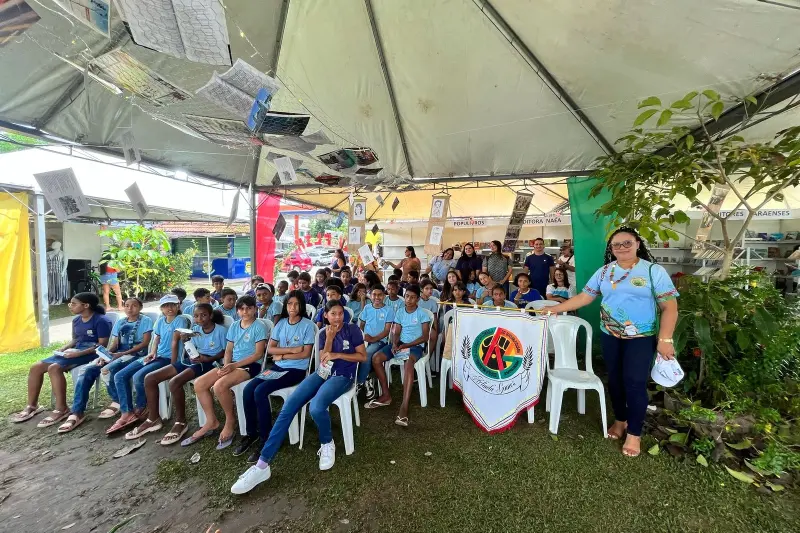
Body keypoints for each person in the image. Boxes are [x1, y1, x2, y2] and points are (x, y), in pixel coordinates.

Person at [547, 227, 679, 458]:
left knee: (635, 382)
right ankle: (620, 420)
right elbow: (584, 297)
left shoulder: (653, 271)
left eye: (626, 243)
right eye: (616, 245)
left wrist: (665, 339)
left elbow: (669, 307)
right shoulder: (605, 271)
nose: (621, 248)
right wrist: (555, 308)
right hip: (610, 335)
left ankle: (634, 434)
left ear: (637, 243)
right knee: (615, 381)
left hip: (642, 338)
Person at [231, 300, 367, 494]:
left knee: (316, 408)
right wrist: (330, 338)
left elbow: (362, 356)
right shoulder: (323, 333)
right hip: (322, 373)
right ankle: (262, 465)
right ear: (326, 316)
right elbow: (324, 358)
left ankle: (327, 442)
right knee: (288, 407)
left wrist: (339, 355)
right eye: (333, 314)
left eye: (340, 313)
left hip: (342, 376)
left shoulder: (353, 330)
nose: (338, 317)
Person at [125, 304, 227, 443]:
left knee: (175, 382)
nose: (200, 318)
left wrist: (207, 358)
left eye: (203, 315)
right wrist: (186, 341)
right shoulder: (195, 330)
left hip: (208, 362)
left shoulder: (220, 330)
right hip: (194, 359)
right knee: (150, 378)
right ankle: (153, 418)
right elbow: (192, 349)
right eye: (196, 316)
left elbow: (224, 352)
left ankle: (181, 422)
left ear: (210, 315)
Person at [232, 290, 315, 461]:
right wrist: (291, 350)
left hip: (296, 371)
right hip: (277, 367)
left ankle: (266, 438)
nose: (293, 307)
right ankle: (251, 433)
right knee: (249, 390)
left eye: (296, 304)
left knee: (260, 391)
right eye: (290, 303)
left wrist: (282, 354)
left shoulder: (307, 325)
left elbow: (305, 354)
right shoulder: (281, 323)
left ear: (301, 306)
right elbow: (270, 349)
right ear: (285, 305)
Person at [12, 293, 112, 427]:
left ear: (86, 305)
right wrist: (64, 348)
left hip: (92, 353)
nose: (70, 306)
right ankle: (32, 405)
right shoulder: (76, 320)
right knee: (36, 367)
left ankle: (61, 408)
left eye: (74, 303)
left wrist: (78, 354)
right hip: (75, 352)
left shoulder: (101, 321)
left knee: (54, 367)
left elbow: (102, 345)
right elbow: (76, 340)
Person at [58, 298, 153, 433]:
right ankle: (77, 412)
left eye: (134, 306)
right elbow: (114, 344)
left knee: (110, 371)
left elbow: (144, 344)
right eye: (126, 306)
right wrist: (106, 356)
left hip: (136, 355)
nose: (130, 309)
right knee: (88, 370)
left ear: (140, 308)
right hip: (118, 354)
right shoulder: (120, 322)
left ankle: (121, 404)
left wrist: (121, 354)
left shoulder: (145, 321)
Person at [187, 295, 267, 450]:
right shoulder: (235, 326)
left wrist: (234, 365)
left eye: (249, 308)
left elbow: (258, 355)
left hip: (251, 365)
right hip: (232, 364)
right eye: (242, 309)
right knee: (200, 384)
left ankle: (230, 421)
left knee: (219, 386)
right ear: (237, 311)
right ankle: (212, 421)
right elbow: (229, 349)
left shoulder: (259, 326)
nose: (245, 312)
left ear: (255, 309)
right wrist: (226, 364)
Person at [105, 295, 190, 434]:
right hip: (155, 356)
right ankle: (126, 411)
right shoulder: (161, 321)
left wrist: (173, 364)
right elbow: (156, 338)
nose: (170, 308)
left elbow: (175, 342)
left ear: (178, 306)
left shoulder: (180, 320)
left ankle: (141, 407)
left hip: (167, 359)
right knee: (120, 375)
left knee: (139, 376)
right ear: (161, 308)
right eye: (166, 306)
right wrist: (152, 352)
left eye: (173, 305)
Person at [366, 285, 431, 427]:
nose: (409, 299)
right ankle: (386, 395)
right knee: (376, 358)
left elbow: (425, 337)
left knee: (409, 363)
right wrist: (395, 344)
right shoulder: (400, 312)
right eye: (407, 296)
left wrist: (407, 346)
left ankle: (404, 406)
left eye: (413, 297)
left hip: (414, 347)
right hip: (400, 344)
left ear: (418, 299)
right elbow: (396, 331)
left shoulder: (422, 314)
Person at [357, 284, 394, 400]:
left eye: (380, 295)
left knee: (367, 355)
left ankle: (360, 382)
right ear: (370, 295)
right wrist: (362, 336)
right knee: (352, 353)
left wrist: (373, 339)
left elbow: (387, 331)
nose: (377, 297)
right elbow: (361, 325)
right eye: (374, 294)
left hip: (380, 341)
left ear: (384, 296)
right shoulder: (367, 308)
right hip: (365, 340)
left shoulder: (389, 310)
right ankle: (367, 377)